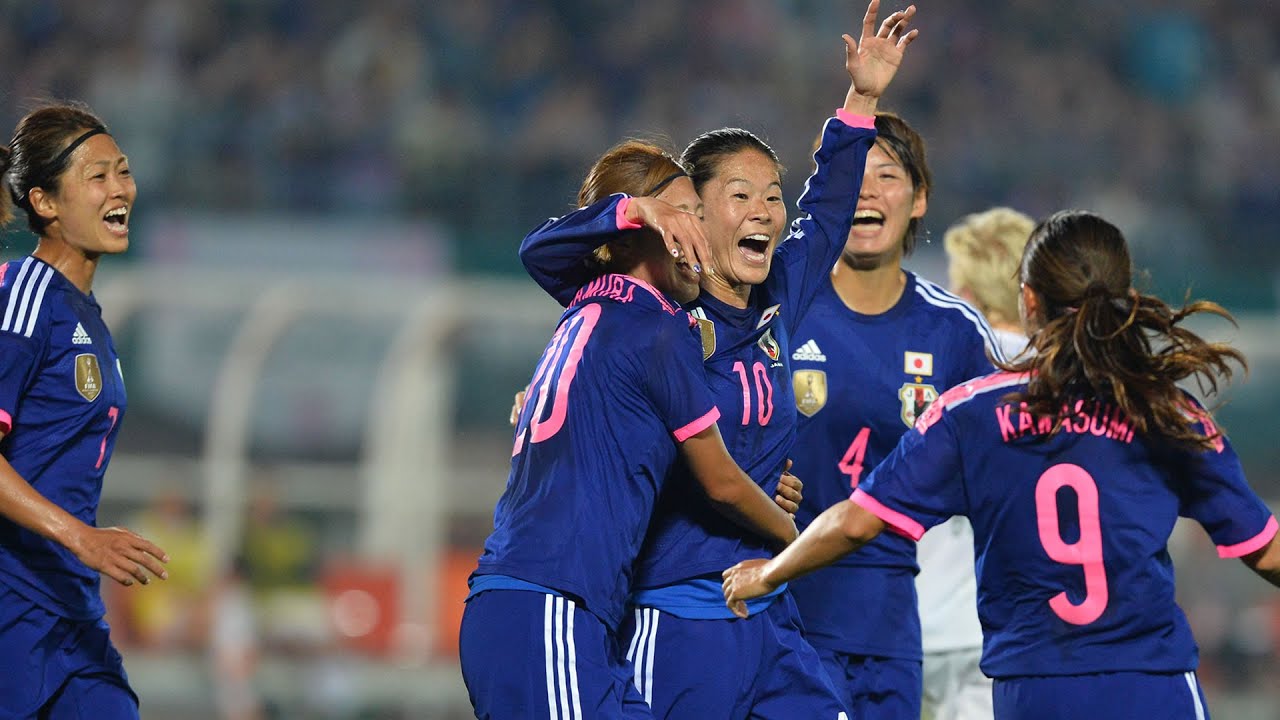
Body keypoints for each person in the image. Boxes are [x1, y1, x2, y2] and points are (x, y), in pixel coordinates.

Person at [519, 3, 920, 716]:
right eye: (741, 195)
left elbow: (825, 211)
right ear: (692, 216)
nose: (765, 210)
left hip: (770, 609)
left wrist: (861, 99)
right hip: (676, 613)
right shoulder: (651, 318)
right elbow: (546, 256)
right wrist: (633, 214)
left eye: (771, 195)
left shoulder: (777, 298)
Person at [724, 209, 1280, 720]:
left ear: (1029, 301)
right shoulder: (1164, 410)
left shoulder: (972, 412)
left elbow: (856, 521)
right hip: (1152, 684)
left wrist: (768, 573)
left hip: (1033, 689)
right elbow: (1264, 548)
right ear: (1125, 297)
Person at [460, 139, 802, 720]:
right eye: (687, 217)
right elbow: (718, 481)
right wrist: (799, 543)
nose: (700, 235)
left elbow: (541, 251)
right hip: (555, 600)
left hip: (559, 608)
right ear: (645, 230)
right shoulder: (659, 329)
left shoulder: (592, 304)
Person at [785, 112, 1004, 720]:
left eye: (887, 174)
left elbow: (1002, 462)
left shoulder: (953, 331)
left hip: (891, 632)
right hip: (781, 611)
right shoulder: (782, 306)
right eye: (852, 174)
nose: (866, 190)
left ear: (919, 199)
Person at [0, 102, 170, 719]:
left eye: (122, 171)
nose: (120, 188)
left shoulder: (86, 317)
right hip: (11, 608)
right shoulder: (23, 297)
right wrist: (82, 538)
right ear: (45, 203)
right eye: (97, 177)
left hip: (70, 614)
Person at [911, 206, 1035, 720]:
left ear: (967, 292)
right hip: (1005, 631)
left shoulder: (939, 362)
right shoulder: (1068, 376)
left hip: (909, 620)